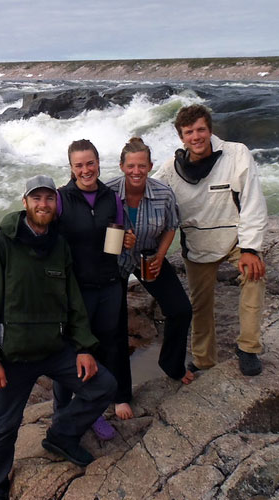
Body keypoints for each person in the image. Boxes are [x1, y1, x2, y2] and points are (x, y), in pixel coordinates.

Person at [0, 174, 117, 500]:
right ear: (25, 203)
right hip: (11, 357)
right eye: (36, 198)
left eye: (49, 198)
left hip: (54, 349)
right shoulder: (0, 243)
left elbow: (72, 300)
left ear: (55, 203)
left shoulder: (58, 245)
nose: (43, 204)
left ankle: (62, 435)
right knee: (0, 429)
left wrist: (83, 347)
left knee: (103, 386)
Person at [152, 104, 267, 376]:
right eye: (189, 132)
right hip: (198, 244)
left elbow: (253, 202)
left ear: (210, 130)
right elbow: (145, 193)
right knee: (199, 305)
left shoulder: (237, 154)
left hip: (236, 240)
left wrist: (251, 248)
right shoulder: (170, 170)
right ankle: (204, 359)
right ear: (182, 137)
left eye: (201, 129)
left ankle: (248, 348)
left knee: (255, 278)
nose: (196, 137)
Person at [54, 139, 133, 430]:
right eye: (79, 165)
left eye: (90, 163)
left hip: (110, 283)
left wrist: (128, 240)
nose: (86, 170)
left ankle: (115, 397)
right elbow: (36, 226)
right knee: (74, 350)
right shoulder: (61, 199)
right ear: (71, 168)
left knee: (111, 342)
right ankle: (68, 411)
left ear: (99, 163)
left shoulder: (111, 198)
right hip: (76, 290)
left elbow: (122, 235)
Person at [107, 137, 195, 385]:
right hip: (116, 261)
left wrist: (160, 255)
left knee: (181, 310)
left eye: (142, 166)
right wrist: (119, 238)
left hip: (148, 256)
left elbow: (170, 227)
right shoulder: (108, 192)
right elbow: (90, 223)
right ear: (122, 166)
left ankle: (172, 364)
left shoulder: (162, 193)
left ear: (150, 165)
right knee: (115, 324)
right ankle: (120, 391)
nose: (136, 172)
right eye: (131, 166)